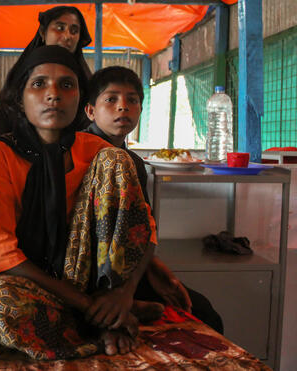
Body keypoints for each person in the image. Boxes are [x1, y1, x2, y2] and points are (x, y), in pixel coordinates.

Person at [0, 45, 161, 361]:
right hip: (38, 283)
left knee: (117, 159)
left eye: (66, 85)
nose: (53, 95)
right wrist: (91, 307)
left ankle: (110, 313)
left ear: (80, 99)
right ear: (20, 98)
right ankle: (101, 324)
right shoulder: (0, 154)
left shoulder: (99, 152)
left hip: (94, 282)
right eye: (38, 84)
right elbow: (0, 253)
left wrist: (122, 295)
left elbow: (145, 232)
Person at [83, 65, 224, 333]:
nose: (123, 107)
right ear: (91, 110)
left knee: (203, 311)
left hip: (128, 269)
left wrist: (153, 269)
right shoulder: (80, 154)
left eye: (132, 100)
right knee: (203, 315)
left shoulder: (134, 162)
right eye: (111, 99)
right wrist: (125, 291)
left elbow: (142, 230)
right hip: (88, 273)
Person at [0, 5, 94, 137]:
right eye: (60, 28)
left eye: (74, 31)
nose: (68, 36)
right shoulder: (21, 77)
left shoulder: (86, 83)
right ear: (43, 33)